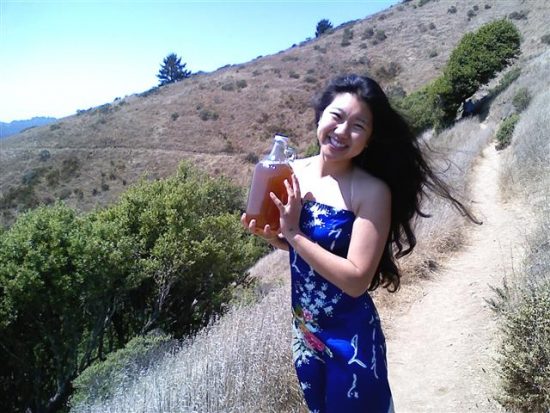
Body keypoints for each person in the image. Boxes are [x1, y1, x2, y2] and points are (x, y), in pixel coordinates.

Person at [241, 74, 477, 413]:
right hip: (305, 332)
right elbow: (304, 250)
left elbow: (355, 280)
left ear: (368, 140)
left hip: (350, 336)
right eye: (336, 117)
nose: (341, 132)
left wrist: (293, 234)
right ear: (320, 117)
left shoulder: (370, 192)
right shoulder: (292, 172)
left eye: (358, 126)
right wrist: (276, 237)